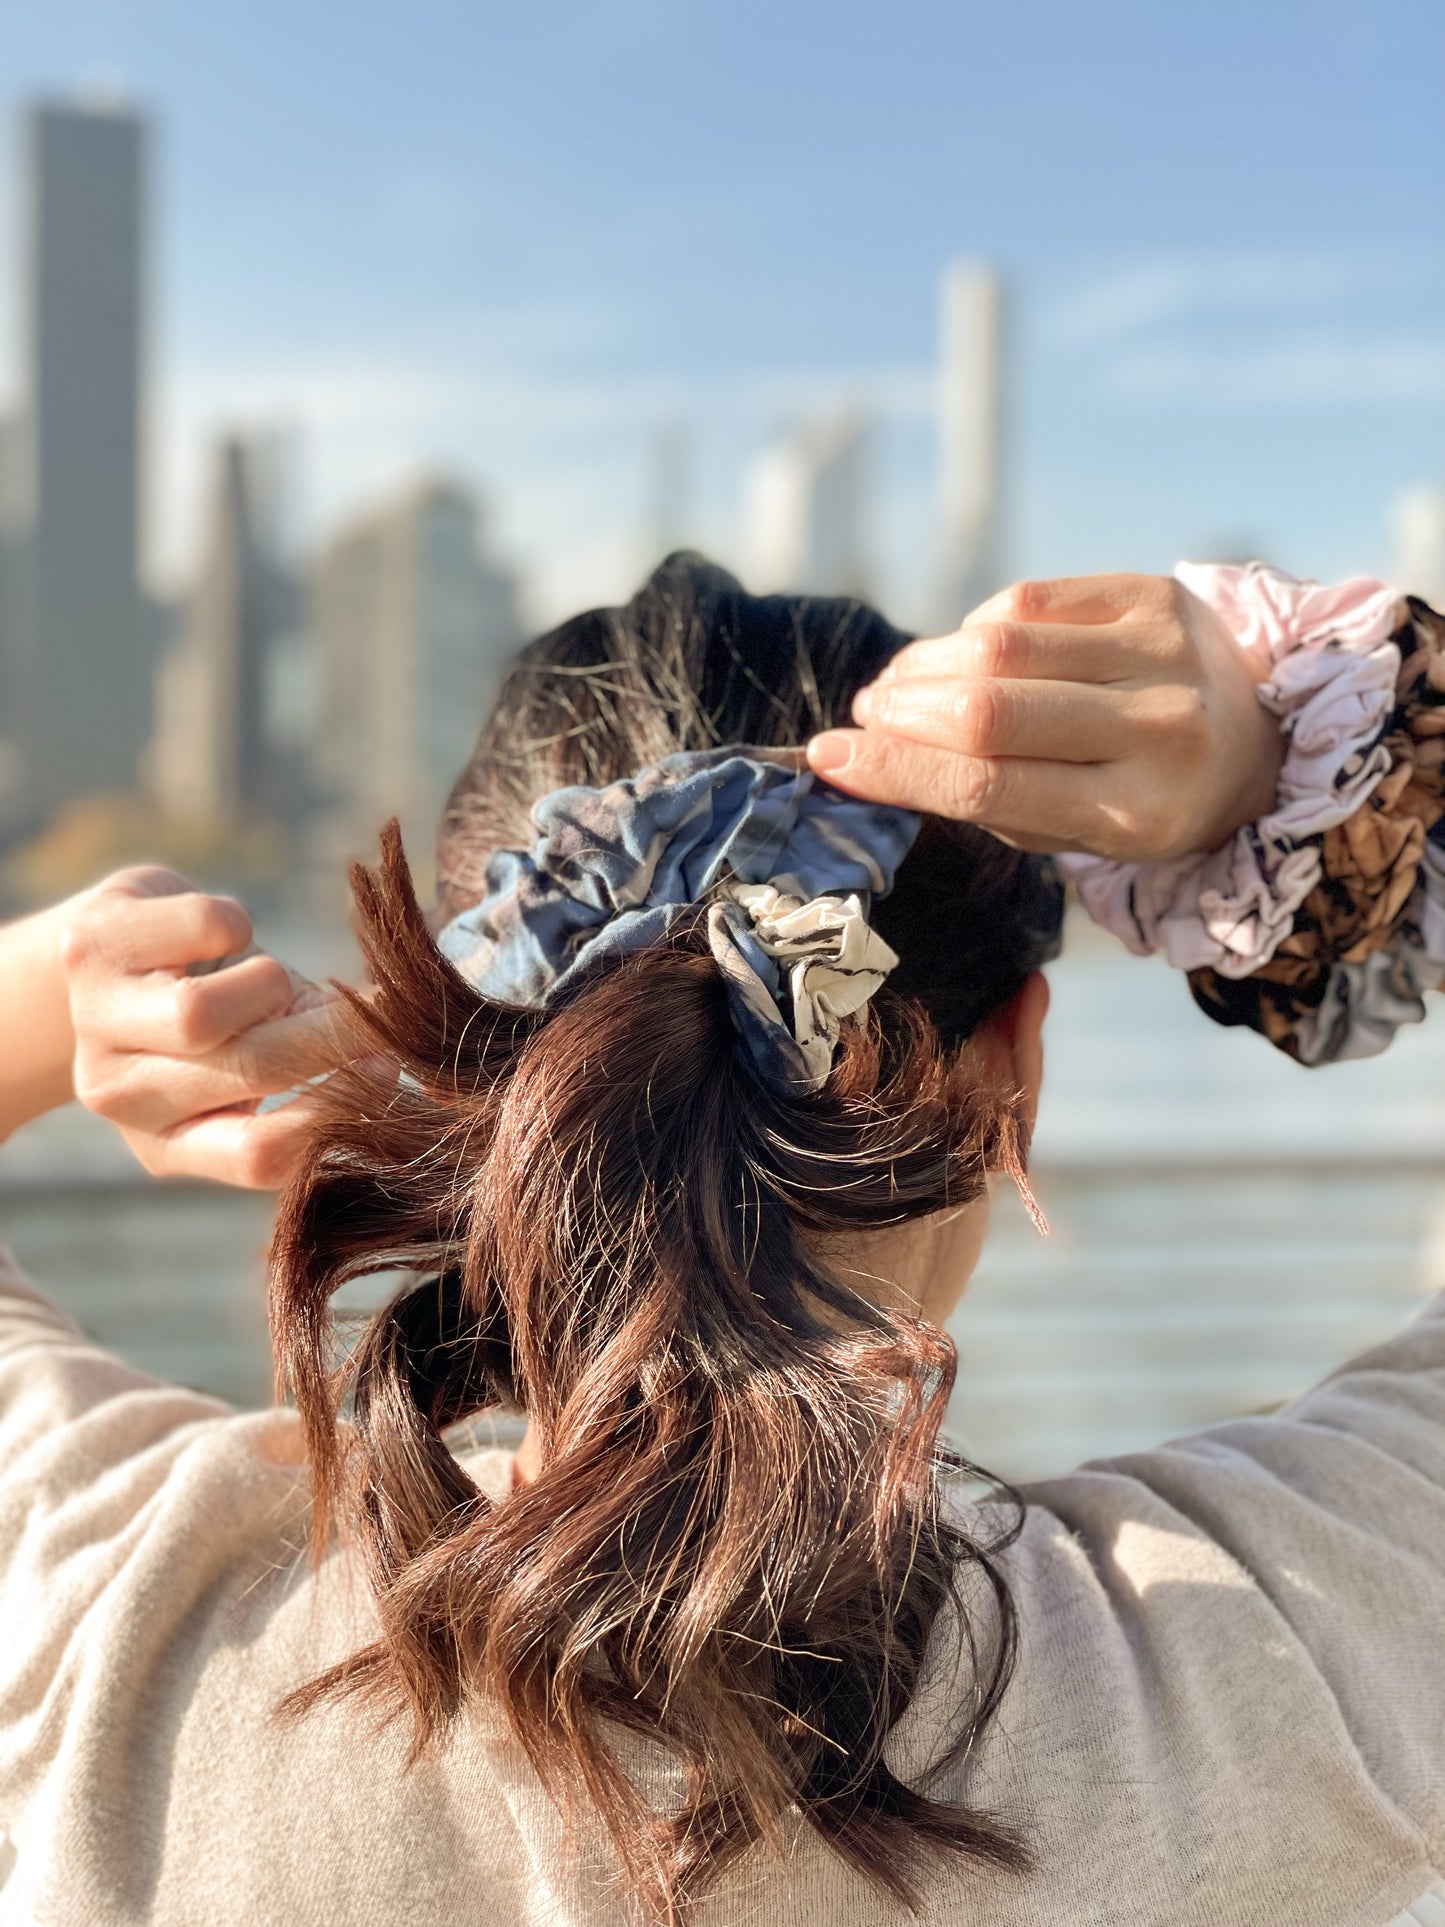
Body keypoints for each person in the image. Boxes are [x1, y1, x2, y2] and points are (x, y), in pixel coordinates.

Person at [0, 553, 1440, 1927]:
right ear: (1014, 1068)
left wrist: (55, 1001)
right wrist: (1324, 764)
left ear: (485, 1078)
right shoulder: (1288, 1648)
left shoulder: (115, 1618)